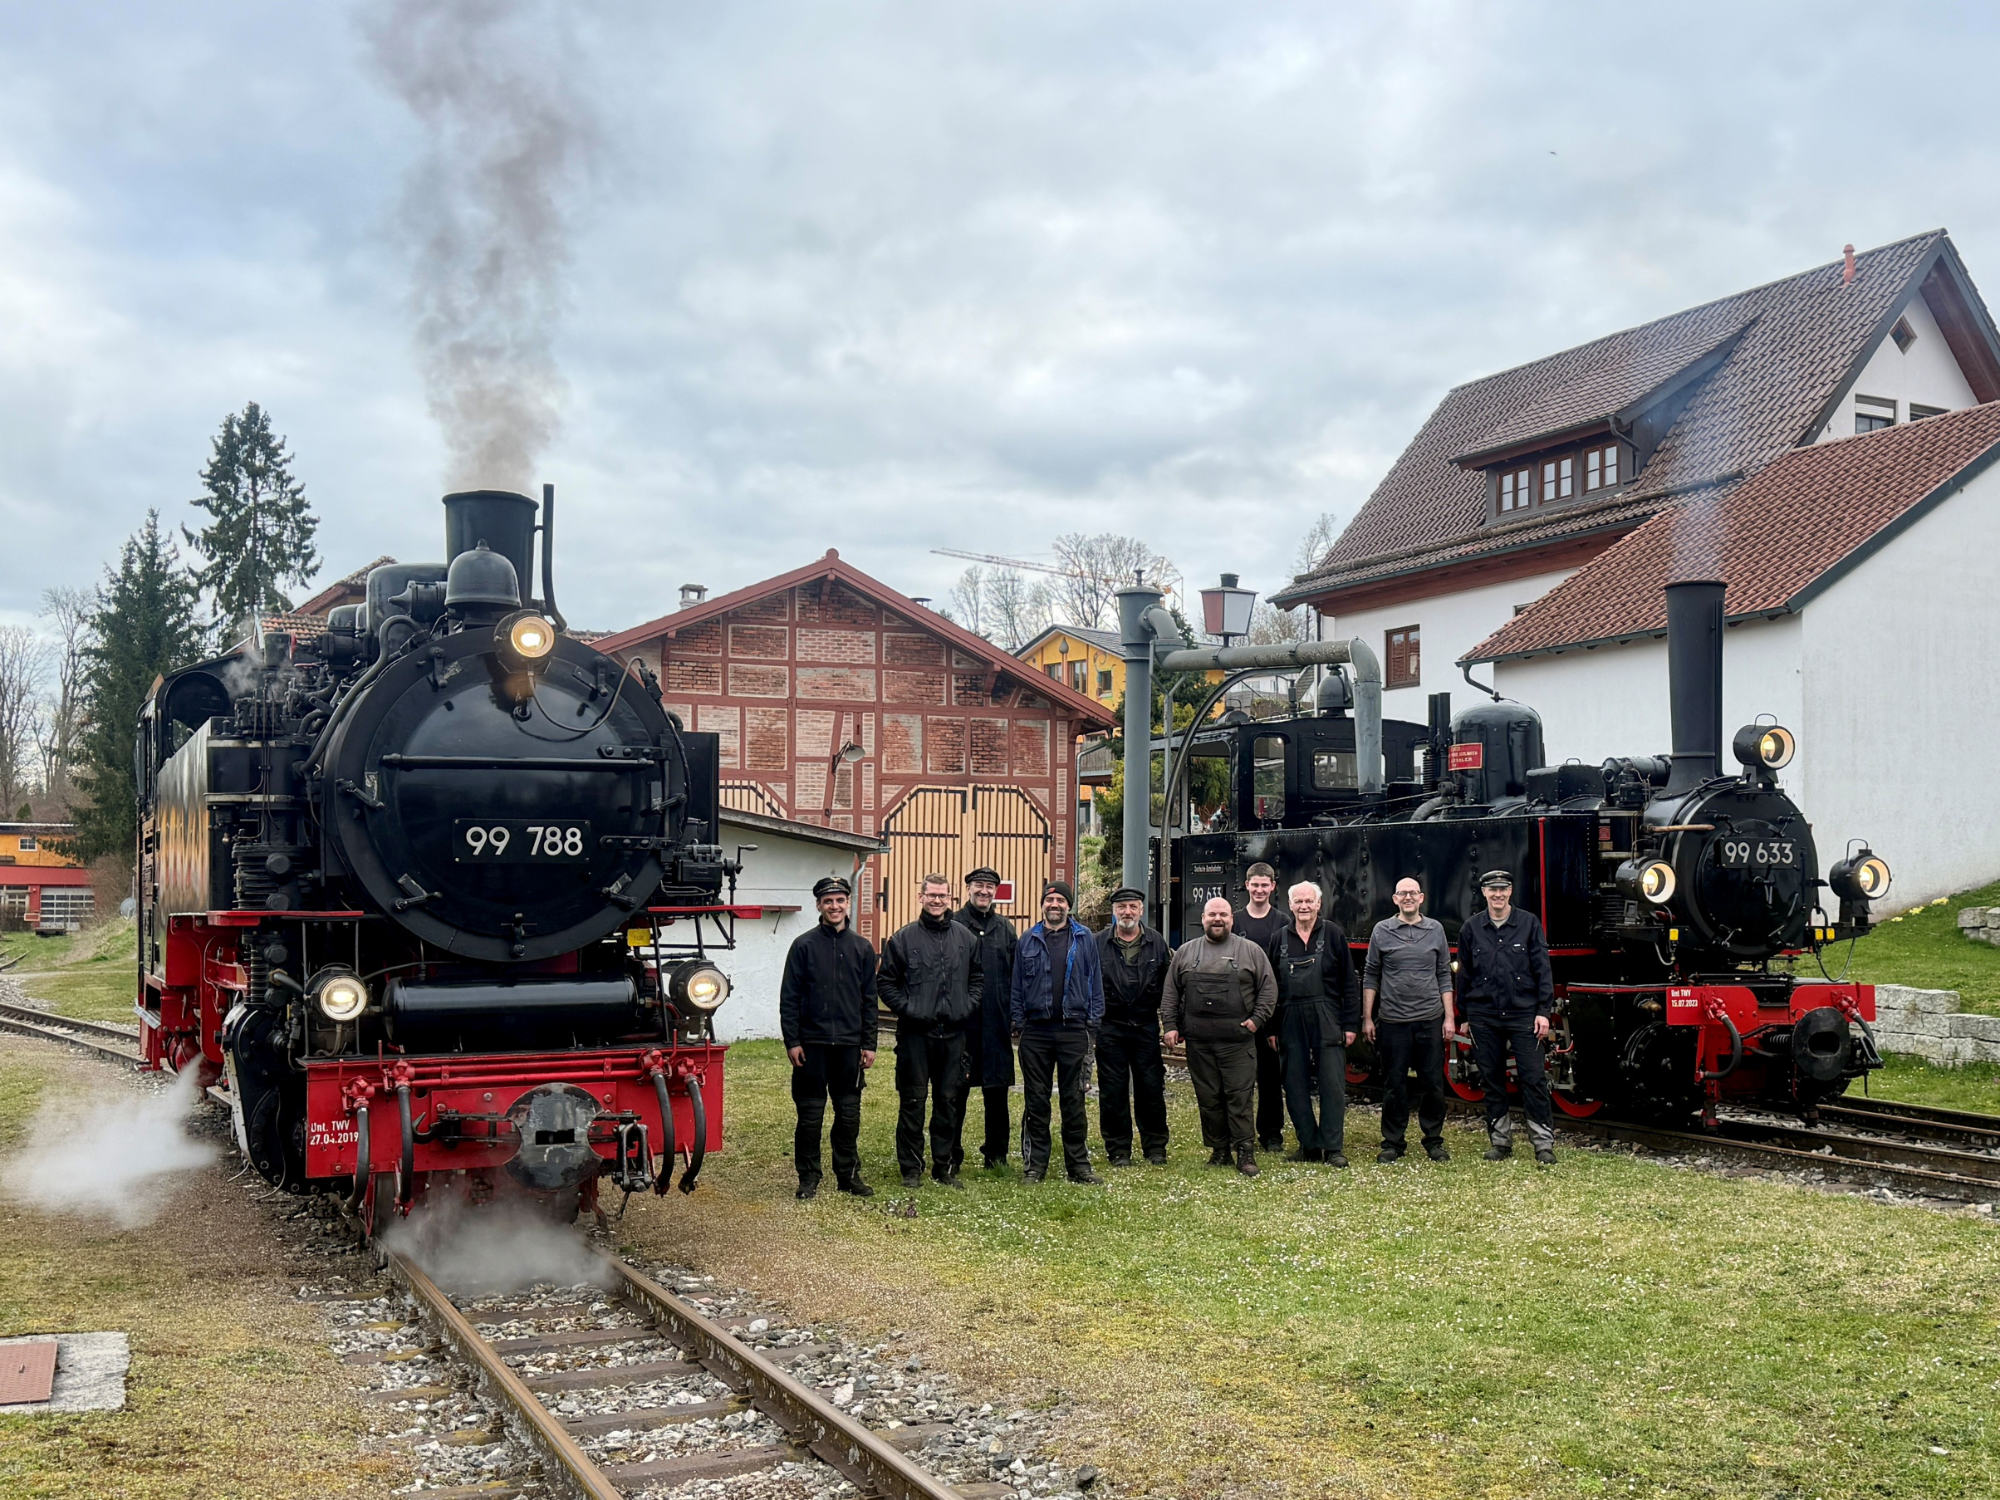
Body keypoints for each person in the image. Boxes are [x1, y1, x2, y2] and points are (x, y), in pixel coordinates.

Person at [877, 874, 983, 1189]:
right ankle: (911, 1169)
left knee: (948, 1101)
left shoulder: (965, 939)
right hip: (915, 1035)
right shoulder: (904, 939)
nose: (937, 901)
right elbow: (885, 982)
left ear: (950, 898)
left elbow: (978, 979)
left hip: (953, 1034)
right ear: (920, 897)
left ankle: (943, 1167)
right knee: (912, 1101)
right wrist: (909, 1009)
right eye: (931, 895)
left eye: (942, 895)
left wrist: (966, 1007)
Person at [778, 876, 880, 1200]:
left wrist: (869, 1043)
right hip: (812, 1047)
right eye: (828, 901)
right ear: (818, 905)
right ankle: (808, 1178)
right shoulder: (803, 946)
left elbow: (869, 1000)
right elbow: (789, 998)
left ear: (848, 903)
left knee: (848, 1114)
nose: (834, 906)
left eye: (839, 900)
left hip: (849, 1048)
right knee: (810, 1116)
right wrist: (792, 1041)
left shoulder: (862, 948)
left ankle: (848, 1175)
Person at [1162, 898, 1277, 1177]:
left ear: (1231, 919)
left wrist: (1257, 1021)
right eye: (1212, 914)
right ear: (1202, 918)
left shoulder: (1251, 951)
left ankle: (1245, 1152)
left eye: (1223, 914)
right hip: (1199, 1042)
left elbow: (1269, 989)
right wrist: (1170, 1025)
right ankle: (1220, 1149)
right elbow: (1170, 992)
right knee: (1209, 1097)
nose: (1218, 919)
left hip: (1238, 1042)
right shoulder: (1186, 953)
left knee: (1239, 1096)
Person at [1457, 870, 1557, 1165]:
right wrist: (1463, 1014)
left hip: (1523, 1012)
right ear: (1484, 893)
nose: (1498, 894)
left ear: (1510, 892)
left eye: (1503, 889)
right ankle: (1500, 1141)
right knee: (1491, 1078)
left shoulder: (1528, 924)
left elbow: (1543, 970)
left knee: (1533, 1078)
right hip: (1484, 1014)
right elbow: (1464, 974)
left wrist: (1543, 1012)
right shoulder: (1471, 928)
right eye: (1492, 889)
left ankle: (1543, 1143)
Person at [1010, 881, 1105, 1184]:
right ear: (1042, 905)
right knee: (1036, 1100)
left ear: (1068, 906)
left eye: (1060, 900)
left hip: (1073, 1030)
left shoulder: (1084, 937)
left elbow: (1095, 982)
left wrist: (1092, 1023)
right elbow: (1016, 987)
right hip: (1036, 1032)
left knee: (1073, 1099)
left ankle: (1078, 1165)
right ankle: (1035, 1166)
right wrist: (1019, 1023)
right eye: (1049, 899)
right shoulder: (1027, 939)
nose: (1055, 905)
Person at [1362, 877, 1455, 1164]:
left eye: (1412, 893)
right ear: (1394, 899)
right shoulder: (1382, 930)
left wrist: (1449, 1016)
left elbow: (1444, 974)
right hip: (1392, 1020)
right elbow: (1371, 974)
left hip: (1429, 1018)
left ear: (1422, 897)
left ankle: (1434, 1140)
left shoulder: (1435, 929)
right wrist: (1367, 1017)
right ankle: (1392, 1142)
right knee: (1394, 1085)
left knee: (1432, 1084)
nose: (1408, 898)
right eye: (1402, 893)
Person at [1266, 881, 1359, 1166]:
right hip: (1289, 1018)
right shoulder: (1279, 938)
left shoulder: (1333, 935)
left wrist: (1350, 1024)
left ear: (1319, 904)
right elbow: (1270, 988)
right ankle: (1309, 1145)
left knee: (1332, 1084)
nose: (1304, 906)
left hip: (1327, 1016)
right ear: (1290, 905)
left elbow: (1349, 983)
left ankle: (1333, 1148)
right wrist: (1270, 1028)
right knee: (1293, 1083)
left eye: (1309, 901)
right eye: (1298, 901)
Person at [1091, 886, 1172, 1166]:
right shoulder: (1097, 943)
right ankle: (1118, 1149)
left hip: (1145, 1025)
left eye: (1133, 907)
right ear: (1114, 911)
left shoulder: (1156, 942)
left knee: (1150, 1087)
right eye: (1122, 907)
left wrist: (1170, 1022)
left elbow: (1168, 985)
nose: (1127, 912)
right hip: (1110, 1027)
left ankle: (1155, 1147)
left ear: (1140, 910)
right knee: (1113, 1090)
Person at [951, 865, 1017, 1171]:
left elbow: (1016, 975)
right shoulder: (953, 925)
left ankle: (996, 1155)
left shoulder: (1005, 928)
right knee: (955, 1093)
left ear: (996, 892)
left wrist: (1015, 1016)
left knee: (997, 1093)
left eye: (990, 886)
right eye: (978, 885)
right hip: (961, 1026)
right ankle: (950, 1154)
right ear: (968, 889)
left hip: (996, 1023)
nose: (984, 891)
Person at [1233, 863, 1289, 1154]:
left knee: (1269, 1078)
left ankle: (1271, 1134)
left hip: (1270, 1012)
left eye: (1264, 885)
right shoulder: (1234, 921)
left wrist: (1274, 1021)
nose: (1259, 890)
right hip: (1238, 1011)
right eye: (1254, 885)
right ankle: (1239, 1133)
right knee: (1238, 1080)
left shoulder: (1282, 922)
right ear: (1246, 886)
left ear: (1272, 887)